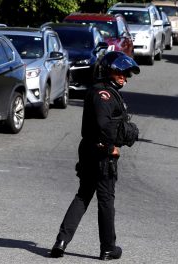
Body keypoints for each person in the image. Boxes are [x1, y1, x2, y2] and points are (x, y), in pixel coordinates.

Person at [50, 51, 140, 261]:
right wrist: (110, 149)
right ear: (109, 70)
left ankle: (61, 242)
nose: (124, 77)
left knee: (83, 195)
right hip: (101, 154)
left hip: (89, 150)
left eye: (127, 74)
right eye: (121, 73)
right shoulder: (103, 94)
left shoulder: (101, 91)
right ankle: (108, 247)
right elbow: (103, 125)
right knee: (105, 200)